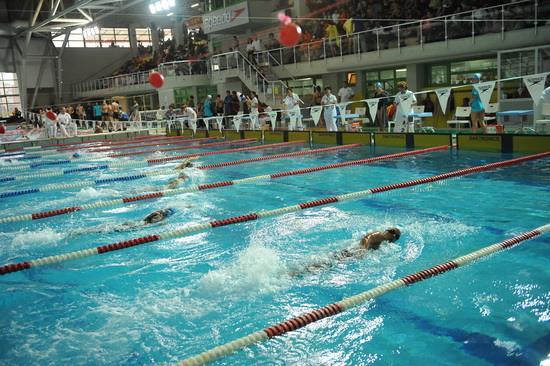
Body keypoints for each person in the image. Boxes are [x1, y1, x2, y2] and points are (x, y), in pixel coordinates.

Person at [292, 227, 401, 276]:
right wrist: (363, 249)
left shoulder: (383, 240)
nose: (393, 241)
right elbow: (367, 238)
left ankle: (300, 271)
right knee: (327, 264)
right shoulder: (380, 235)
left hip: (352, 253)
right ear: (392, 235)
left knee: (328, 265)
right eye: (395, 238)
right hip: (352, 252)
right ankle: (297, 272)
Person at [68, 208, 177, 237]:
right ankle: (81, 232)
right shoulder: (153, 219)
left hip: (131, 224)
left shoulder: (155, 215)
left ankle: (81, 231)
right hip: (132, 226)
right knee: (103, 230)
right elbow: (155, 220)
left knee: (103, 229)